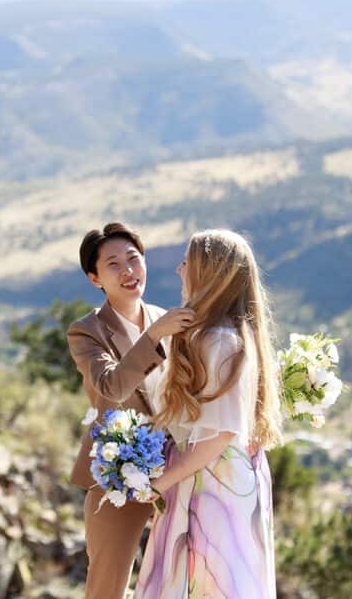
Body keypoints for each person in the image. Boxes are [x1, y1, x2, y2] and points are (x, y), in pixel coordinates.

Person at [135, 229, 282, 598]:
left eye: (188, 262)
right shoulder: (224, 334)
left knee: (214, 583)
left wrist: (163, 480)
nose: (180, 270)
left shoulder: (220, 341)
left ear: (209, 274)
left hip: (216, 482)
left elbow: (221, 433)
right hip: (222, 476)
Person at [66, 222, 194, 599]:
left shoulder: (164, 316)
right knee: (107, 586)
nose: (128, 271)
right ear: (95, 278)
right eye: (113, 264)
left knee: (187, 578)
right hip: (118, 473)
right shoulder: (86, 331)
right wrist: (154, 336)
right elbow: (112, 387)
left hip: (178, 466)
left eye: (134, 260)